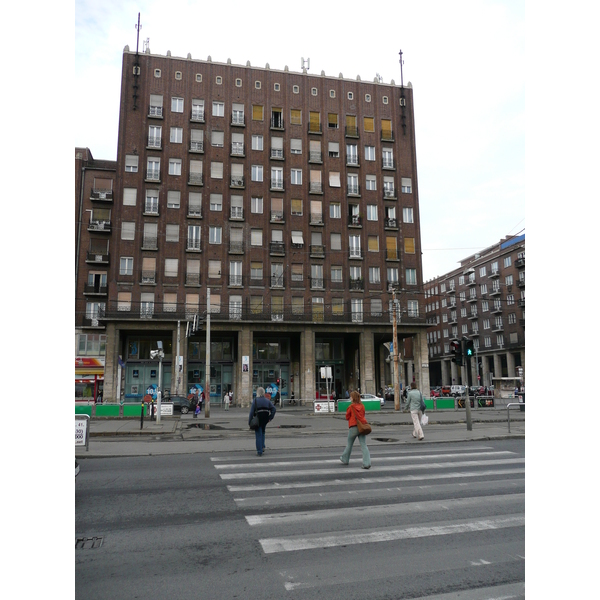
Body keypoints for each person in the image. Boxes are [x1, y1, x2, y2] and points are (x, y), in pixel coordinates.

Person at [339, 391, 371, 469]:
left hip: (353, 427)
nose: (350, 398)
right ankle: (366, 463)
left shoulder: (351, 407)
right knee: (363, 445)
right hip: (362, 426)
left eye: (351, 396)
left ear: (353, 398)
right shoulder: (362, 406)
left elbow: (347, 417)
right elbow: (363, 415)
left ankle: (345, 459)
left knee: (349, 444)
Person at [248, 387, 276, 456]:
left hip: (258, 419)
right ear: (263, 393)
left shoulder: (255, 401)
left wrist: (250, 422)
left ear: (257, 393)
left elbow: (251, 412)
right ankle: (262, 446)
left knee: (258, 434)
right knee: (263, 432)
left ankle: (259, 451)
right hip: (265, 419)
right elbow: (274, 409)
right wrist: (270, 417)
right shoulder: (267, 401)